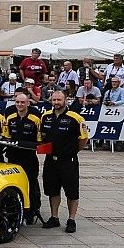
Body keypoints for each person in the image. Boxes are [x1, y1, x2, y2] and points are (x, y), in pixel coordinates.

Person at [40, 90, 88, 233]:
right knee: (52, 190)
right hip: (50, 161)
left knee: (72, 192)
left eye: (59, 100)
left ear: (65, 100)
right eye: (54, 100)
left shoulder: (76, 118)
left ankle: (71, 219)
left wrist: (71, 152)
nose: (56, 103)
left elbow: (83, 140)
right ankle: (54, 217)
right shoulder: (45, 117)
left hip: (68, 161)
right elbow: (42, 136)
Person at [3, 93, 43, 224]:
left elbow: (39, 142)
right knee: (14, 184)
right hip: (13, 157)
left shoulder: (35, 119)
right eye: (17, 102)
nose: (19, 105)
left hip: (29, 158)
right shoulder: (10, 117)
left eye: (22, 102)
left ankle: (32, 210)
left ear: (28, 104)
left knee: (31, 183)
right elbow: (7, 137)